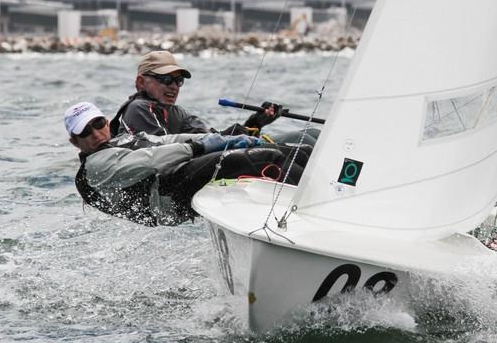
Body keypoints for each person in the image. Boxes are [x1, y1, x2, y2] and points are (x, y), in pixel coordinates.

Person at [65, 101, 303, 227]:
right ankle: (302, 210)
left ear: (107, 123)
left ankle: (315, 193)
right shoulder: (94, 166)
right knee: (260, 158)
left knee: (294, 151)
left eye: (98, 124)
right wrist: (199, 147)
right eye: (85, 132)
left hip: (176, 177)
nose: (95, 134)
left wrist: (225, 138)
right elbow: (149, 161)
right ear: (74, 142)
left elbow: (167, 141)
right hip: (167, 198)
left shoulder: (120, 141)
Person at [110, 50, 318, 146]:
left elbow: (212, 138)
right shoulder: (138, 108)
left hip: (193, 165)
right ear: (141, 83)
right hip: (168, 181)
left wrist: (255, 122)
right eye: (165, 79)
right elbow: (163, 149)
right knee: (296, 146)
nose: (173, 86)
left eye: (178, 81)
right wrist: (230, 136)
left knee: (310, 135)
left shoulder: (178, 113)